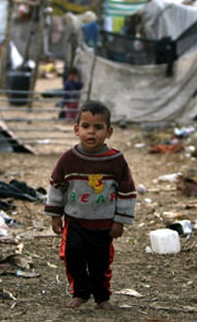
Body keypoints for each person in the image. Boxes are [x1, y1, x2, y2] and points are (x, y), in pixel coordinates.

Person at [45, 101, 137, 310]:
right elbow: (56, 186)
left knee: (101, 263)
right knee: (72, 256)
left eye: (98, 127)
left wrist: (120, 221)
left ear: (109, 132)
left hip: (104, 224)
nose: (91, 132)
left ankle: (102, 297)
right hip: (75, 221)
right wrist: (55, 215)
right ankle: (80, 293)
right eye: (86, 126)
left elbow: (126, 191)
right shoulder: (68, 159)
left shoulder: (116, 161)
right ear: (76, 129)